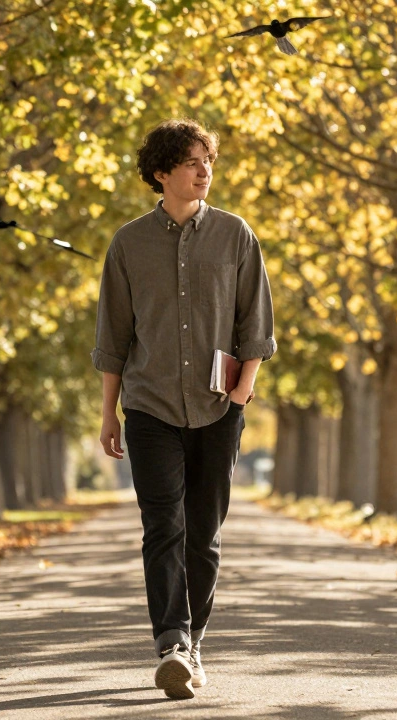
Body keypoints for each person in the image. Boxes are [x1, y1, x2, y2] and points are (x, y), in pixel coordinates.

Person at [90, 118, 277, 699]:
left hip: (220, 408)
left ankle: (194, 641)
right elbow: (114, 337)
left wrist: (242, 392)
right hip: (149, 408)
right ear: (162, 172)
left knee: (204, 532)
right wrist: (108, 413)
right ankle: (172, 642)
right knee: (162, 526)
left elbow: (256, 324)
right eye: (192, 162)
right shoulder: (127, 244)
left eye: (208, 161)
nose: (204, 171)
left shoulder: (236, 235)